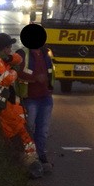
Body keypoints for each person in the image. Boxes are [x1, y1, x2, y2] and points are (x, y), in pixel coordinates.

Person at [0, 33, 43, 179]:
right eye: (8, 48)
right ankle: (30, 162)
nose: (10, 50)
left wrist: (10, 59)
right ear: (3, 48)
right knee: (20, 130)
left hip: (3, 103)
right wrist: (15, 70)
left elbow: (18, 58)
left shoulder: (1, 59)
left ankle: (20, 161)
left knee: (12, 131)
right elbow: (7, 79)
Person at [15, 23, 55, 174]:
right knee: (28, 129)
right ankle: (28, 156)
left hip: (45, 97)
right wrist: (34, 79)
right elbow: (15, 73)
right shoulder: (22, 54)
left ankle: (40, 156)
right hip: (30, 97)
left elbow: (51, 71)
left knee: (43, 130)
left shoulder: (46, 53)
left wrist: (50, 88)